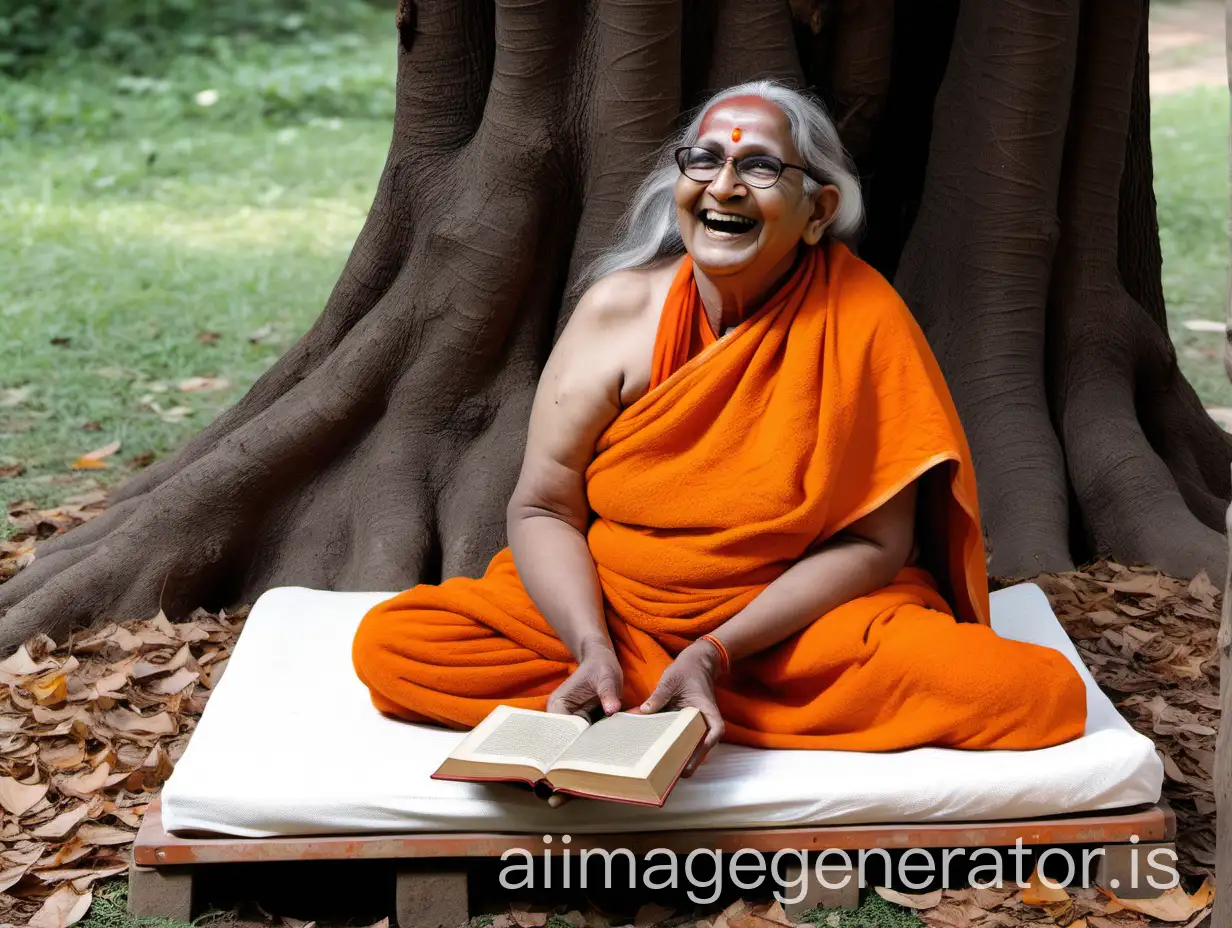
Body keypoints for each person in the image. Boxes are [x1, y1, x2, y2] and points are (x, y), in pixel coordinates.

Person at [351, 80, 1087, 777]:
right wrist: (590, 644)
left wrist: (715, 651)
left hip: (788, 634)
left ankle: (677, 696)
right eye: (704, 159)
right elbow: (543, 506)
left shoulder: (862, 320)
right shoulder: (619, 313)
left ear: (819, 211)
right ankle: (628, 687)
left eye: (759, 166)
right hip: (616, 610)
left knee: (1028, 693)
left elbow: (875, 543)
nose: (723, 185)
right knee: (395, 646)